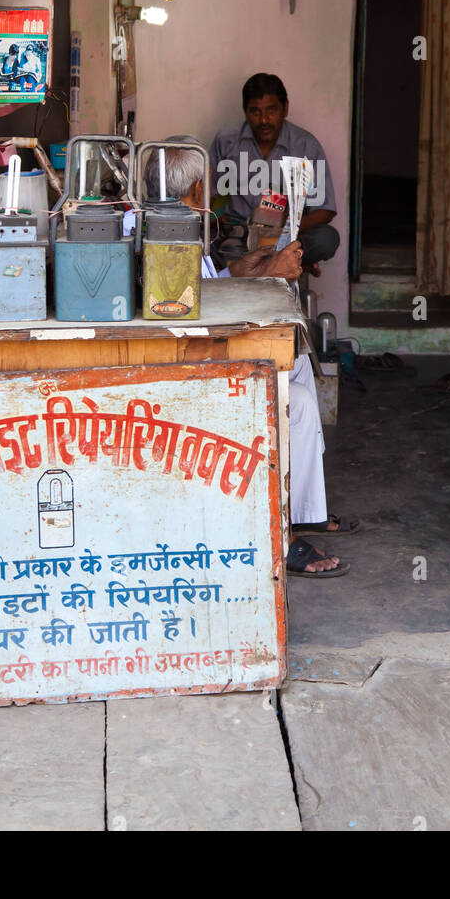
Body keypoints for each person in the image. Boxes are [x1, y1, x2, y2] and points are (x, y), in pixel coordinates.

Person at [142, 141, 361, 577]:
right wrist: (271, 272)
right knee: (294, 400)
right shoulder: (172, 231)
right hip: (193, 363)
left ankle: (305, 509)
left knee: (299, 367)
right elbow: (197, 315)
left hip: (201, 347)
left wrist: (241, 271)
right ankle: (283, 533)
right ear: (199, 186)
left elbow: (203, 290)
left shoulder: (177, 223)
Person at [211, 73, 339, 276]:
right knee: (201, 237)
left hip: (286, 239)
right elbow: (216, 196)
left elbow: (325, 211)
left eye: (271, 110)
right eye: (255, 111)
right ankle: (284, 264)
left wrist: (284, 229)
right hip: (238, 236)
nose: (264, 120)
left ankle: (277, 260)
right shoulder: (226, 141)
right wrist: (220, 218)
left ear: (285, 108)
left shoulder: (306, 146)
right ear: (245, 111)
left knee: (327, 238)